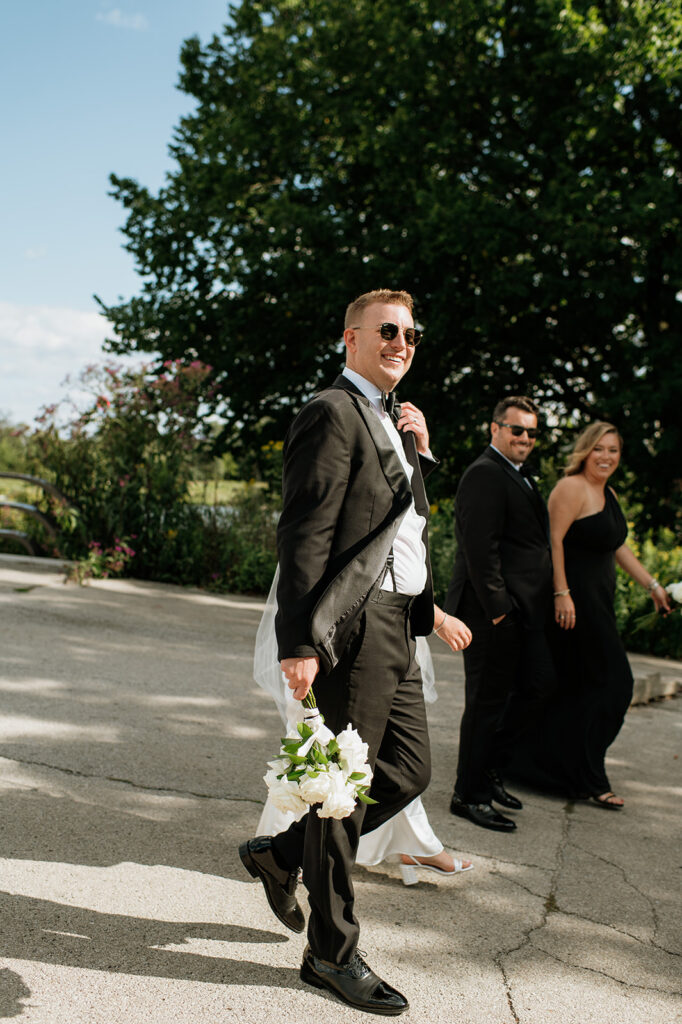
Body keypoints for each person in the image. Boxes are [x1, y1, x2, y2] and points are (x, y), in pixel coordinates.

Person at [239, 289, 471, 1015]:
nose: (402, 341)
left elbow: (402, 529)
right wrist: (301, 639)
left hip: (400, 620)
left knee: (407, 769)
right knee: (340, 790)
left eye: (412, 333)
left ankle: (280, 855)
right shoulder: (331, 411)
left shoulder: (396, 422)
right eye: (389, 330)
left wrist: (419, 454)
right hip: (355, 624)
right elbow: (305, 532)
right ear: (352, 337)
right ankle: (330, 954)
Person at [252, 575, 473, 883]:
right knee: (339, 749)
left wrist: (434, 616)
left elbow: (402, 560)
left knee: (386, 756)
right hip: (350, 626)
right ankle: (293, 851)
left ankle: (412, 843)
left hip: (396, 622)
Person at [507, 422, 671, 807]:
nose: (606, 457)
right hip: (573, 607)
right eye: (599, 449)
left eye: (613, 450)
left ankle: (557, 768)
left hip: (599, 604)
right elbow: (554, 542)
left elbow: (619, 546)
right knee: (617, 685)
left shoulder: (608, 492)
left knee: (581, 690)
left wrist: (653, 586)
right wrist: (561, 593)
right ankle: (591, 778)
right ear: (586, 451)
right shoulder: (571, 488)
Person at [444, 396, 555, 832]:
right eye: (517, 430)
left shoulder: (518, 475)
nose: (525, 438)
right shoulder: (485, 474)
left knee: (538, 686)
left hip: (520, 610)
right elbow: (478, 550)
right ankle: (467, 795)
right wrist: (498, 613)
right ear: (495, 429)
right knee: (486, 704)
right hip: (490, 611)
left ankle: (489, 771)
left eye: (531, 432)